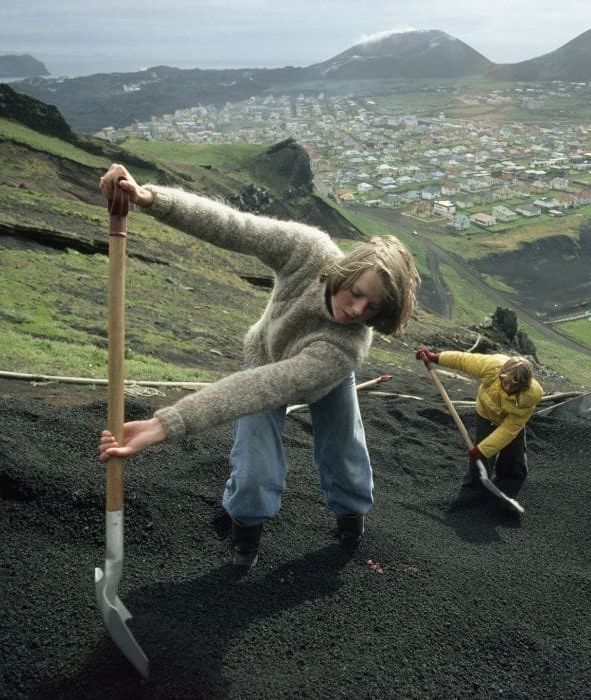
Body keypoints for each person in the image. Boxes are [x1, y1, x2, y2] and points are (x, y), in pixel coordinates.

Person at [98, 163, 419, 570]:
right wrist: (150, 200)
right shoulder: (309, 251)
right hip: (263, 357)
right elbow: (235, 227)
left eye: (372, 307)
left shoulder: (347, 347)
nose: (355, 310)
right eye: (355, 293)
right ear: (345, 271)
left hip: (323, 378)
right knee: (254, 463)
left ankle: (350, 519)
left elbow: (272, 386)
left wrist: (164, 424)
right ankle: (246, 537)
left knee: (344, 453)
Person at [415, 348, 543, 492]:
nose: (507, 387)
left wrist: (483, 449)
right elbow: (463, 360)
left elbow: (508, 430)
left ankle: (510, 484)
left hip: (509, 421)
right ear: (501, 374)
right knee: (481, 458)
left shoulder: (529, 398)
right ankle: (476, 487)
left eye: (514, 386)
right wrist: (435, 357)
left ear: (523, 385)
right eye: (505, 381)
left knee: (514, 457)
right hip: (486, 413)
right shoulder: (493, 366)